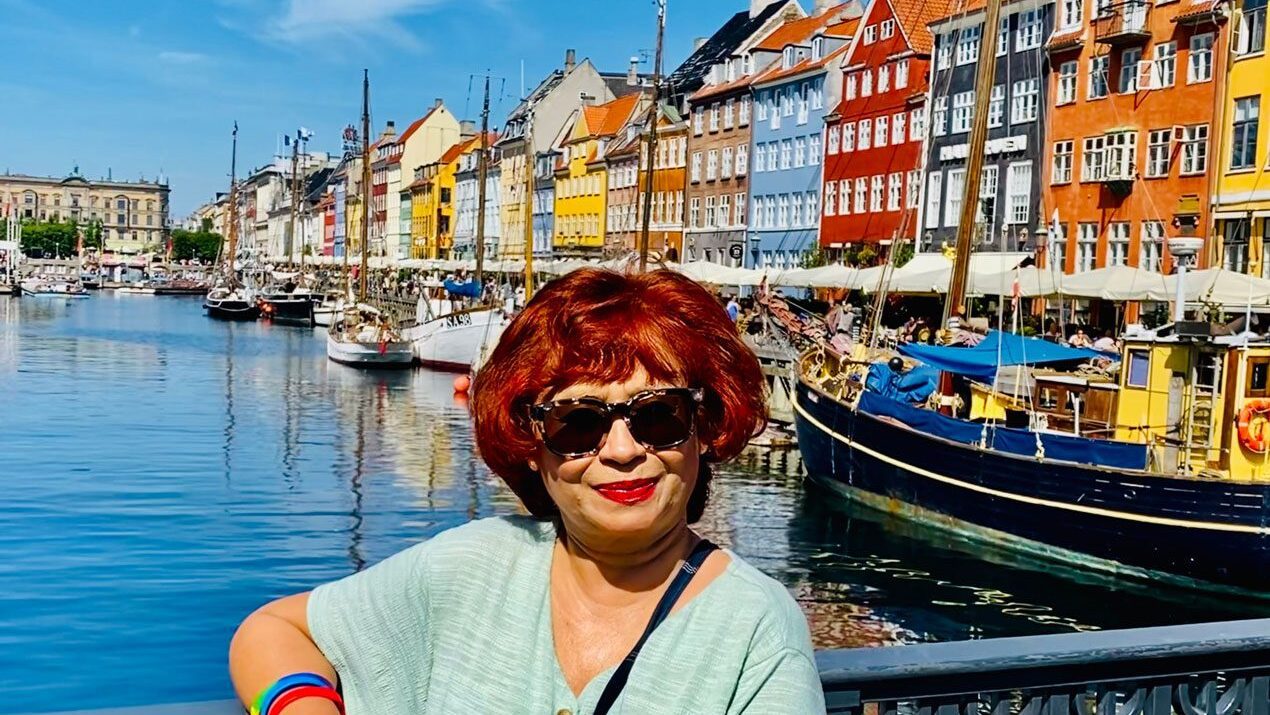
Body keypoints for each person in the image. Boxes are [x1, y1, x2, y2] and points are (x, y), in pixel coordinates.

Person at [229, 269, 825, 714]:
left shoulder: (754, 628)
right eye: (578, 424)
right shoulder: (475, 565)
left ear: (703, 428)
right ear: (531, 445)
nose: (621, 450)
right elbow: (273, 630)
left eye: (658, 415)